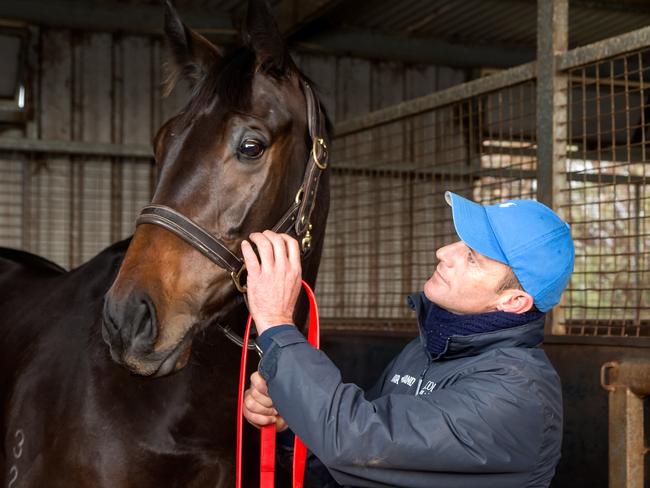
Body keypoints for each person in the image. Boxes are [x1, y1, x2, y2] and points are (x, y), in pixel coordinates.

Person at [240, 191, 574, 488]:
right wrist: (292, 427)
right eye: (459, 241)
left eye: (472, 257)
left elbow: (356, 440)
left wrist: (277, 323)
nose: (444, 252)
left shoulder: (515, 393)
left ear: (513, 301)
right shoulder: (426, 349)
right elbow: (359, 469)